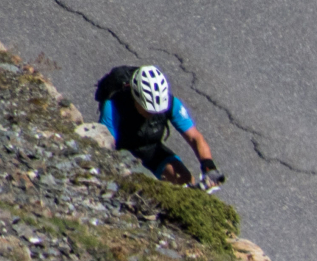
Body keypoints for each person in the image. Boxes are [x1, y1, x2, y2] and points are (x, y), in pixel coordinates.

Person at [93, 64, 221, 187]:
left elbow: (194, 137)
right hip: (122, 150)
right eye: (149, 110)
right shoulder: (114, 106)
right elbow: (106, 147)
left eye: (157, 111)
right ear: (136, 98)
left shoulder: (171, 103)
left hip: (150, 148)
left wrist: (209, 166)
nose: (153, 114)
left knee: (184, 179)